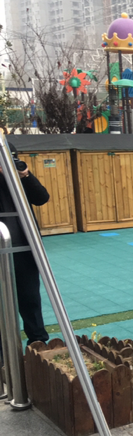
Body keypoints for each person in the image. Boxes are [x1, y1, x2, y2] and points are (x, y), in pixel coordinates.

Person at [0, 144, 50, 346]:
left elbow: (42, 198)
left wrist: (26, 176)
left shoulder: (19, 178)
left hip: (25, 245)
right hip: (3, 245)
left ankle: (37, 342)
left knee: (30, 297)